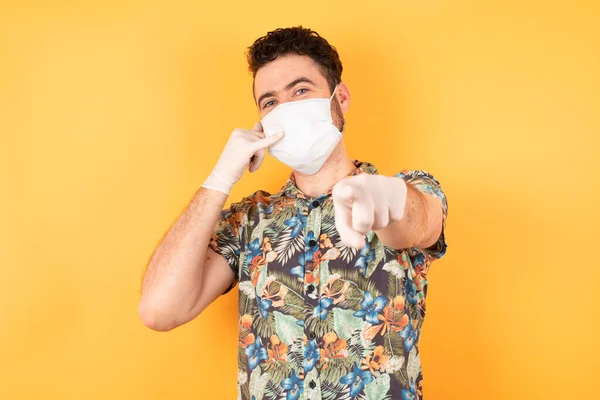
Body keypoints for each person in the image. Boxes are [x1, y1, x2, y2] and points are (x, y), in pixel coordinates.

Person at [139, 26, 448, 400]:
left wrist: (394, 200)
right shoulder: (248, 221)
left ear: (341, 97)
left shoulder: (406, 190)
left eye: (301, 91)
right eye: (270, 103)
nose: (286, 109)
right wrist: (219, 179)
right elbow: (159, 310)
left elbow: (422, 223)